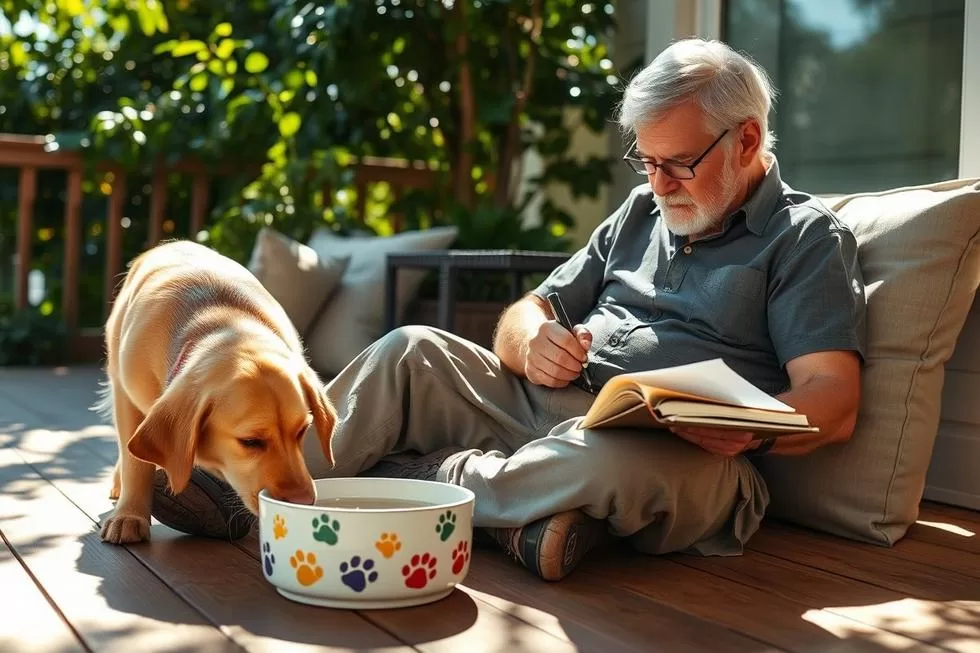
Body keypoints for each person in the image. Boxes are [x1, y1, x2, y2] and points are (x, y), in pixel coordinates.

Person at [150, 38, 867, 582]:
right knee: (412, 351)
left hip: (682, 457)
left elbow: (832, 399)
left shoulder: (804, 239)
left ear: (746, 140)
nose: (658, 182)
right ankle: (242, 492)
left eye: (677, 163)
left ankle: (408, 484)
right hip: (553, 404)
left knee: (602, 465)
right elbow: (528, 308)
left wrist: (750, 433)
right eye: (644, 162)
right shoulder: (642, 209)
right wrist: (532, 343)